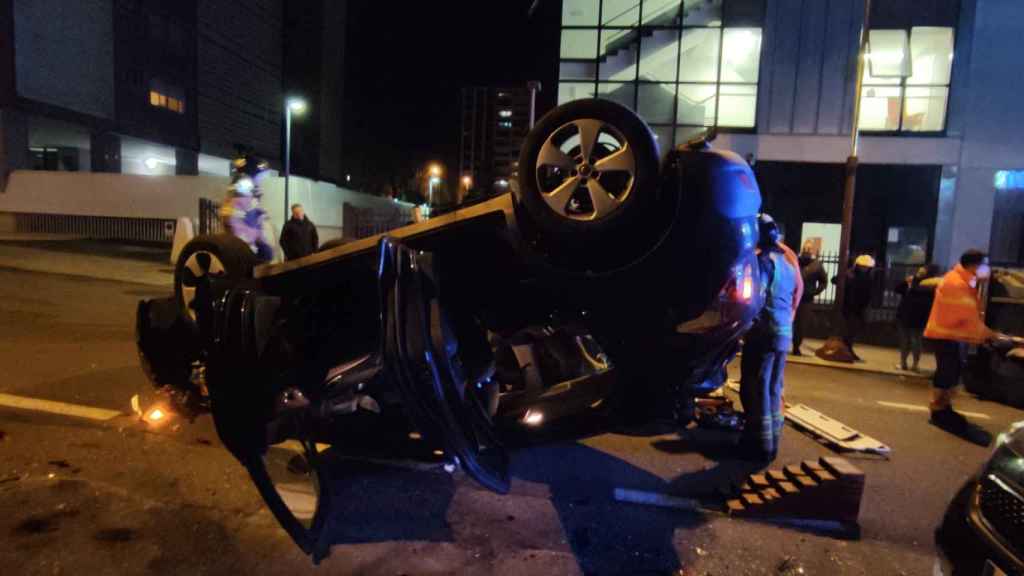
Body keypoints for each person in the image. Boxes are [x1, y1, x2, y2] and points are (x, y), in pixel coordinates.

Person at [739, 214, 804, 462]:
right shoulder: (787, 262)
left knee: (758, 387)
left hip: (763, 333)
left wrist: (742, 327)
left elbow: (755, 299)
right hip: (784, 332)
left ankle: (759, 447)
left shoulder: (763, 262)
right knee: (774, 386)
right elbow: (796, 293)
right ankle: (773, 441)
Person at [924, 250, 1001, 432]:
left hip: (949, 335)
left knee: (950, 372)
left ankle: (942, 408)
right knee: (947, 373)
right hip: (946, 335)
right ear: (973, 265)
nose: (987, 269)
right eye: (984, 265)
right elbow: (968, 316)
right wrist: (989, 334)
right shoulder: (957, 284)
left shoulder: (963, 280)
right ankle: (939, 411)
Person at [220, 155, 274, 263]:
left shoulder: (251, 196)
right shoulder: (241, 192)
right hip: (243, 243)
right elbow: (233, 219)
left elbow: (254, 220)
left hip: (249, 239)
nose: (259, 181)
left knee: (266, 253)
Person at [894, 264, 942, 372]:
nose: (921, 270)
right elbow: (898, 289)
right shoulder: (930, 284)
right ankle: (909, 364)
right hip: (915, 315)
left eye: (924, 269)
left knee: (909, 340)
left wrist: (909, 283)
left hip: (911, 315)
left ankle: (906, 363)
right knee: (913, 340)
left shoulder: (925, 284)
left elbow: (904, 291)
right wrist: (907, 282)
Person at [834, 254, 876, 361]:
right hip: (850, 308)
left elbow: (868, 294)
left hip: (859, 309)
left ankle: (848, 350)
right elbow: (835, 280)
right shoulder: (850, 275)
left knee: (853, 331)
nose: (864, 268)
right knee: (849, 331)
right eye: (863, 266)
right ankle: (847, 351)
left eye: (866, 267)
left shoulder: (867, 278)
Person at [792, 240, 828, 356]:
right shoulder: (795, 261)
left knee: (801, 324)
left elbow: (823, 281)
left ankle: (796, 345)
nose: (807, 251)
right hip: (792, 296)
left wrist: (815, 291)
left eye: (809, 249)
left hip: (806, 299)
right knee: (789, 322)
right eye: (805, 249)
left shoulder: (816, 264)